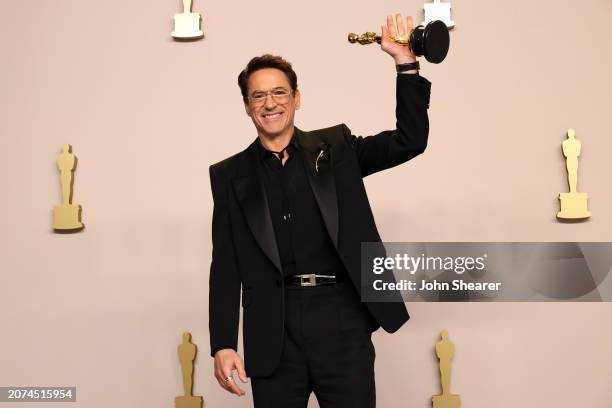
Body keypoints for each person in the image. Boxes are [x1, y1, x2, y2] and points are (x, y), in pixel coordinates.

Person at [209, 13, 431, 408]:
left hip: (342, 322)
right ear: (246, 106)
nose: (270, 103)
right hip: (272, 336)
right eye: (258, 96)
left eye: (279, 92)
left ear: (297, 98)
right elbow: (225, 265)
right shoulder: (229, 176)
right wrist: (223, 343)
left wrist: (405, 64)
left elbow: (409, 141)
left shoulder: (338, 150)